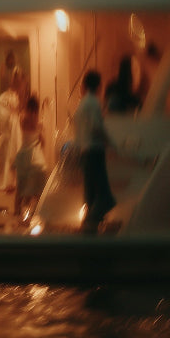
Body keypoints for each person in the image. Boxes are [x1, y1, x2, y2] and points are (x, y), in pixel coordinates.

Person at [74, 69, 117, 233]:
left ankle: (89, 233)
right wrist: (110, 142)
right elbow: (96, 127)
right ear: (99, 86)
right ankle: (90, 228)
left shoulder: (81, 105)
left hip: (84, 153)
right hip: (95, 151)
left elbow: (79, 133)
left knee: (90, 196)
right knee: (103, 197)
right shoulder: (93, 103)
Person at [14, 94, 48, 221]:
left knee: (20, 187)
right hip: (33, 156)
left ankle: (17, 212)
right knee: (36, 186)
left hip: (22, 154)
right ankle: (34, 213)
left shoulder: (22, 117)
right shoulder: (37, 121)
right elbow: (42, 142)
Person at [0, 67, 24, 190]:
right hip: (9, 131)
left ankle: (16, 181)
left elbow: (16, 111)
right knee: (9, 155)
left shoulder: (16, 96)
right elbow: (3, 114)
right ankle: (8, 181)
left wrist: (18, 116)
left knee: (16, 152)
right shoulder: (4, 97)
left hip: (16, 129)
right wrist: (13, 115)